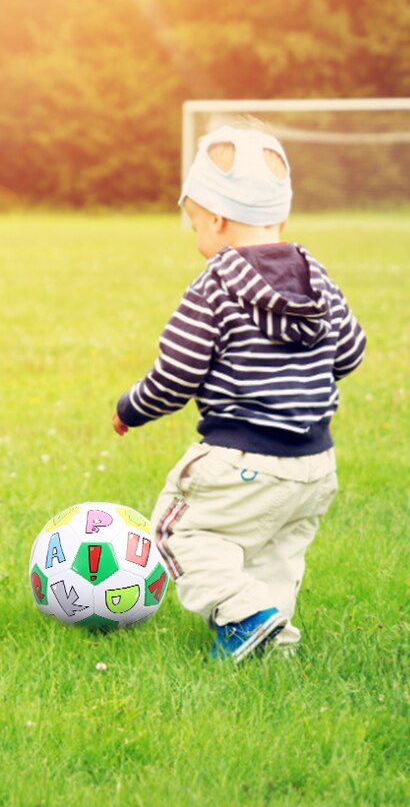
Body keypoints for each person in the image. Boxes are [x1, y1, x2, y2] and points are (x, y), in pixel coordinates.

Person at [111, 124, 365, 662]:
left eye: (196, 223)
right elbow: (350, 352)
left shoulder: (215, 285)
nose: (197, 235)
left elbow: (177, 374)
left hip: (240, 458)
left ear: (218, 219)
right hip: (315, 465)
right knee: (275, 553)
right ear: (281, 217)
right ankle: (272, 646)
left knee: (177, 534)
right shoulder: (317, 278)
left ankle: (244, 615)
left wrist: (130, 408)